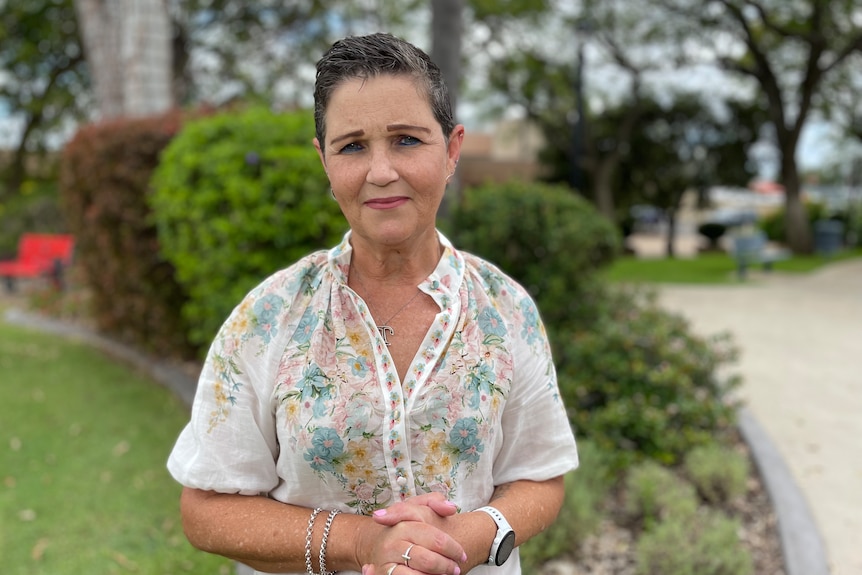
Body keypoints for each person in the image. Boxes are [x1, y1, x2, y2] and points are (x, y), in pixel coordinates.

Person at [167, 32, 579, 575]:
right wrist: (363, 543)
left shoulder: (505, 309)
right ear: (324, 161)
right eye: (352, 145)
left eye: (407, 140)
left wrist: (464, 540)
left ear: (452, 150)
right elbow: (205, 511)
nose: (381, 171)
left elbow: (540, 473)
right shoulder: (267, 318)